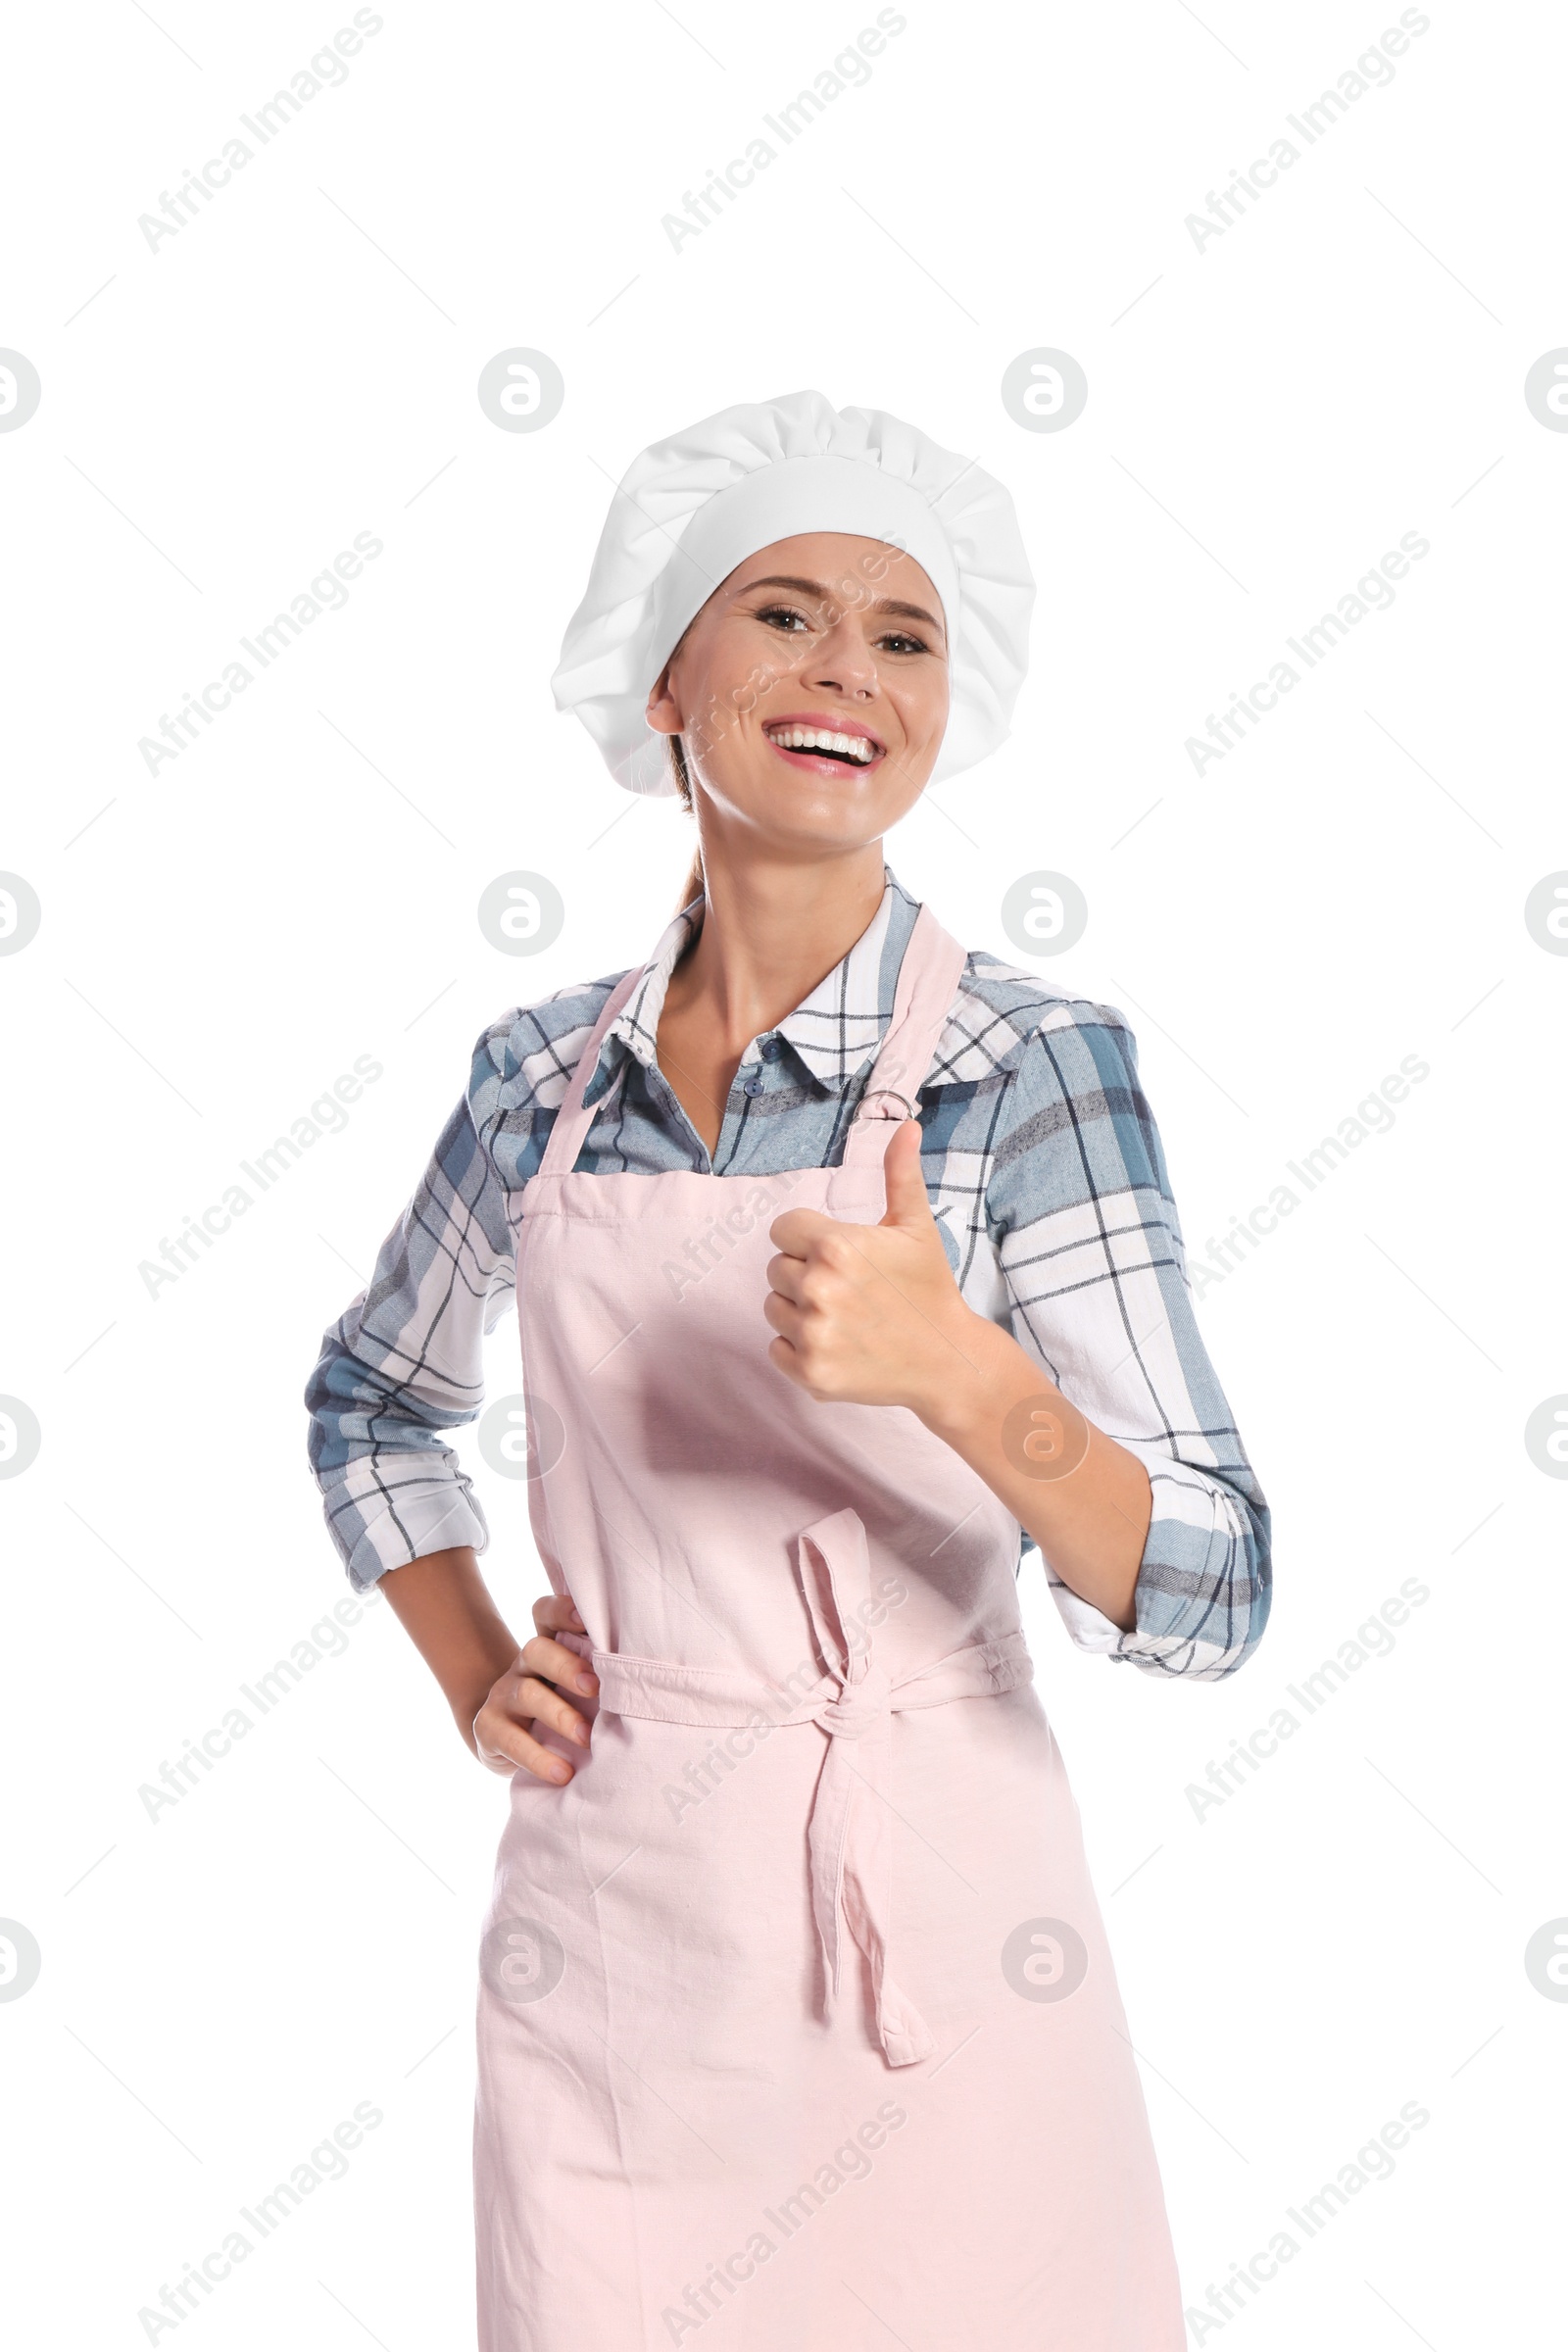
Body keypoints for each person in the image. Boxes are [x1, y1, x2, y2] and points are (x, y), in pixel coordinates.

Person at [305, 389, 1271, 2350]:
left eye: (903, 636)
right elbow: (368, 1401)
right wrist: (478, 1667)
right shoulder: (530, 1080)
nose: (848, 671)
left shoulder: (1025, 1067)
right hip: (612, 1947)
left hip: (939, 1945)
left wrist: (951, 1368)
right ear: (667, 676)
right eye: (783, 614)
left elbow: (1211, 1586)